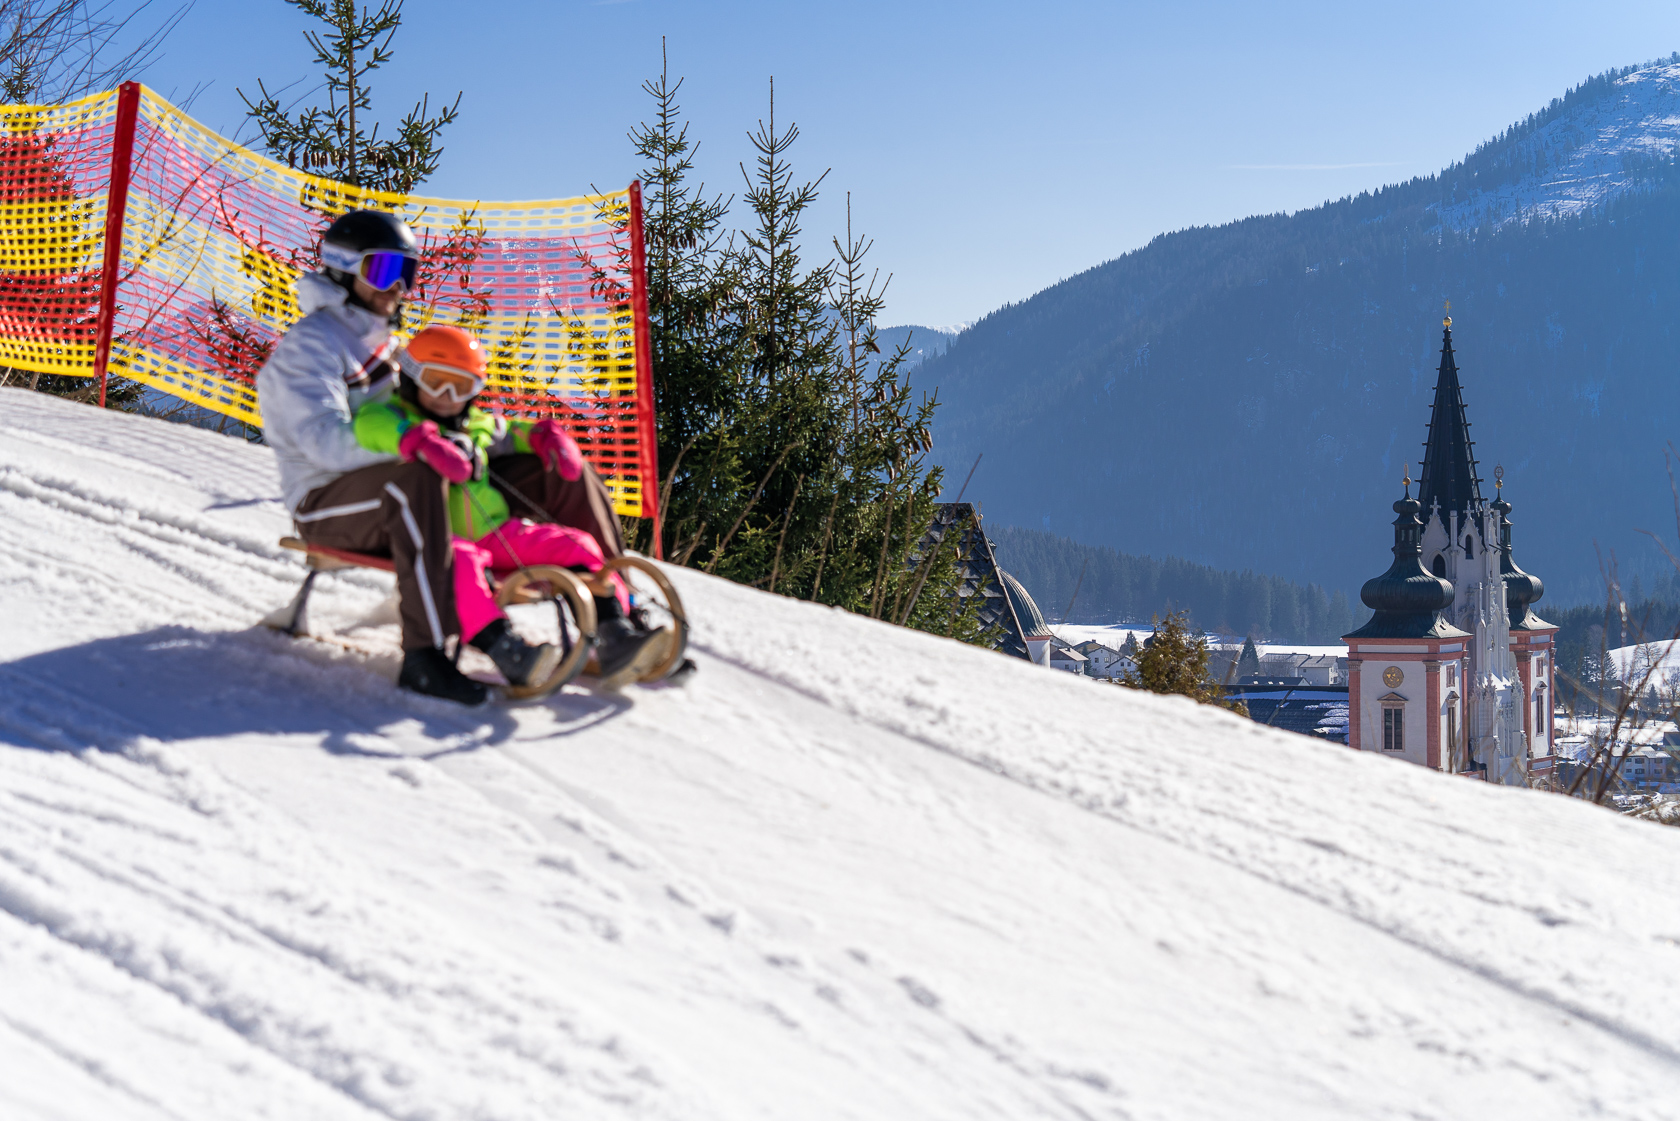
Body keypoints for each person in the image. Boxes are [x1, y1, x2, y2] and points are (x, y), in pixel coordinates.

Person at [352, 324, 667, 689]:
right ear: (410, 376)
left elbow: (511, 430)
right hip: (437, 537)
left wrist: (545, 435)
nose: (447, 395)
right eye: (436, 381)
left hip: (495, 533)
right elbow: (368, 425)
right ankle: (505, 648)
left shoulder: (474, 425)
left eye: (462, 386)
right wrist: (417, 441)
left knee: (578, 545)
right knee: (461, 566)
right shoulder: (395, 416)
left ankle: (616, 631)